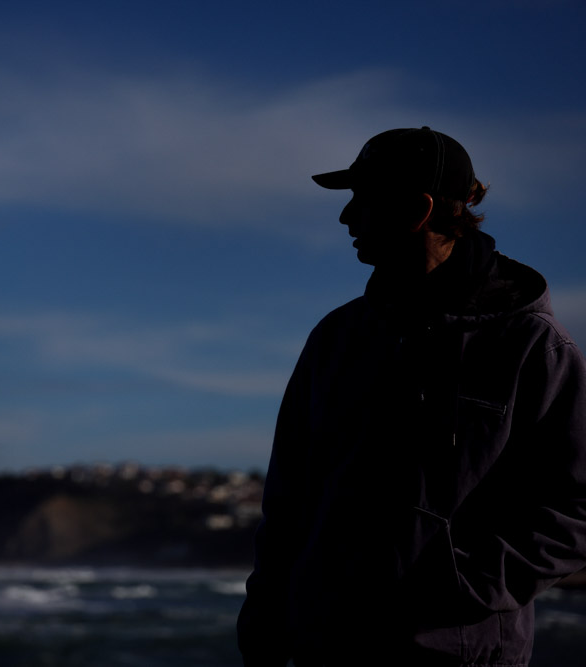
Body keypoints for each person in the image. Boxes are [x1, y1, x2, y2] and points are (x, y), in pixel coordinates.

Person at [236, 127, 586, 667]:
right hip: (323, 646)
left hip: (454, 652)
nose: (346, 217)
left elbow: (577, 507)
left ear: (419, 209)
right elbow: (287, 500)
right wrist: (265, 613)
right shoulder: (335, 338)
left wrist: (465, 582)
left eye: (363, 199)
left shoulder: (531, 347)